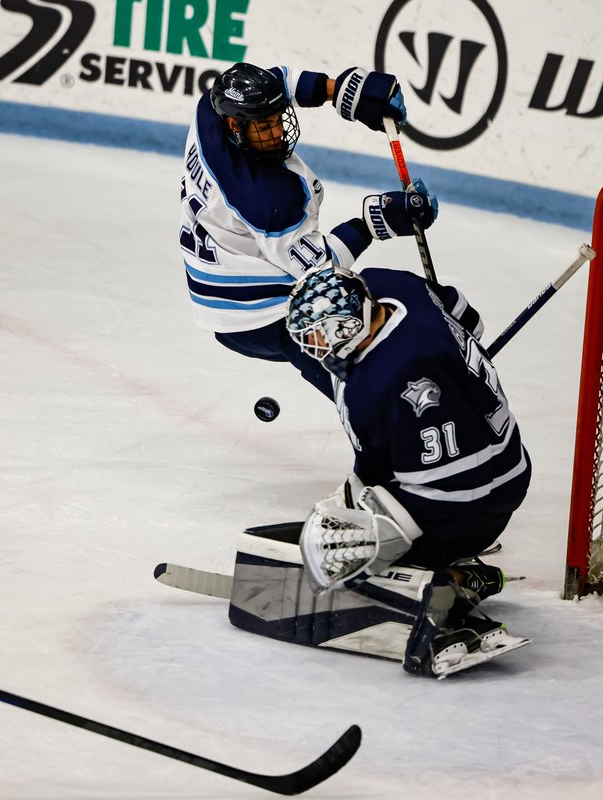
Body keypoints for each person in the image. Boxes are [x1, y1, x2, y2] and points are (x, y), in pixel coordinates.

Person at [225, 266, 531, 678]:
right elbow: (466, 315)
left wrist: (379, 528)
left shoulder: (378, 384)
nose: (315, 348)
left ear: (349, 327)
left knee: (351, 540)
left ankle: (443, 590)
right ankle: (459, 570)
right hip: (512, 466)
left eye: (320, 336)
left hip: (469, 502)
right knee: (374, 507)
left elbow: (429, 482)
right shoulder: (391, 284)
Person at [179, 62, 439, 397]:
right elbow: (321, 269)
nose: (277, 133)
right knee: (357, 355)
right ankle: (401, 412)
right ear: (235, 124)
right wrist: (375, 222)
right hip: (258, 313)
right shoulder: (268, 199)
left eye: (277, 120)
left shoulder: (209, 114)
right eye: (264, 127)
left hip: (220, 274)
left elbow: (278, 82)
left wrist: (339, 91)